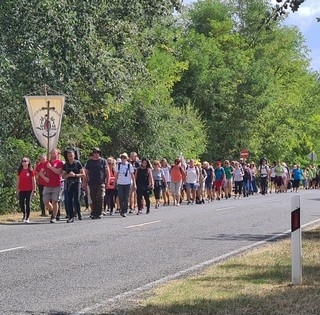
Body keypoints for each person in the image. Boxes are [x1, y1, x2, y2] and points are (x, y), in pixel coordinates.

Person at [38, 148, 64, 223]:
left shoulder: (59, 163)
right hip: (47, 185)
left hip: (56, 185)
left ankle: (54, 217)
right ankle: (54, 210)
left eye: (54, 153)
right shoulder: (46, 163)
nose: (52, 154)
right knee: (45, 201)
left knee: (55, 201)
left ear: (57, 154)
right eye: (51, 153)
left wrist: (50, 167)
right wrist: (44, 178)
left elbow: (59, 172)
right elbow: (41, 172)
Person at [85, 148, 109, 219]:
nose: (96, 154)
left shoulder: (103, 161)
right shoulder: (89, 162)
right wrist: (84, 181)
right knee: (93, 197)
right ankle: (94, 212)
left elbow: (107, 172)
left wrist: (107, 182)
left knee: (100, 197)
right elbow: (86, 172)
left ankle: (100, 212)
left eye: (97, 153)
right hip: (91, 182)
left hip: (100, 182)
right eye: (94, 153)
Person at [62, 149, 85, 223]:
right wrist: (68, 175)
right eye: (69, 156)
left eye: (71, 156)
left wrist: (75, 175)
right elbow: (63, 176)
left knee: (76, 199)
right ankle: (71, 216)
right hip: (69, 183)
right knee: (69, 200)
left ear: (74, 156)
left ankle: (79, 213)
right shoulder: (66, 164)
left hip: (77, 182)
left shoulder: (77, 163)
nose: (70, 157)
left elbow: (83, 174)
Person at [115, 152, 136, 217]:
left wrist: (134, 184)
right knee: (120, 197)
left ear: (126, 158)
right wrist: (115, 182)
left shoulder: (129, 165)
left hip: (127, 183)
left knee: (126, 197)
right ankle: (121, 209)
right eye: (122, 157)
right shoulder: (118, 165)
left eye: (124, 157)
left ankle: (124, 211)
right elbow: (117, 174)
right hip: (120, 183)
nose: (123, 159)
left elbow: (132, 175)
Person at [16, 157, 36, 223]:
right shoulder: (19, 170)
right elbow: (18, 181)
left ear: (28, 162)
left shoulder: (30, 171)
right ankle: (24, 214)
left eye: (25, 161)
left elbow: (33, 181)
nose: (23, 162)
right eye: (22, 161)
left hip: (29, 189)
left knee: (28, 203)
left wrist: (34, 190)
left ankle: (27, 218)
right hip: (22, 189)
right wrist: (17, 189)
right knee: (21, 203)